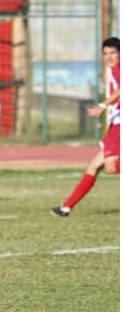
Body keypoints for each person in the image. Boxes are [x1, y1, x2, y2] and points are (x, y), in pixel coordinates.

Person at [52, 37, 120, 217]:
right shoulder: (112, 70)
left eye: (113, 53)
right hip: (115, 124)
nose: (109, 57)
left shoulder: (118, 70)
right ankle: (65, 208)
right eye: (106, 54)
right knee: (93, 166)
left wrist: (102, 106)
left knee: (111, 167)